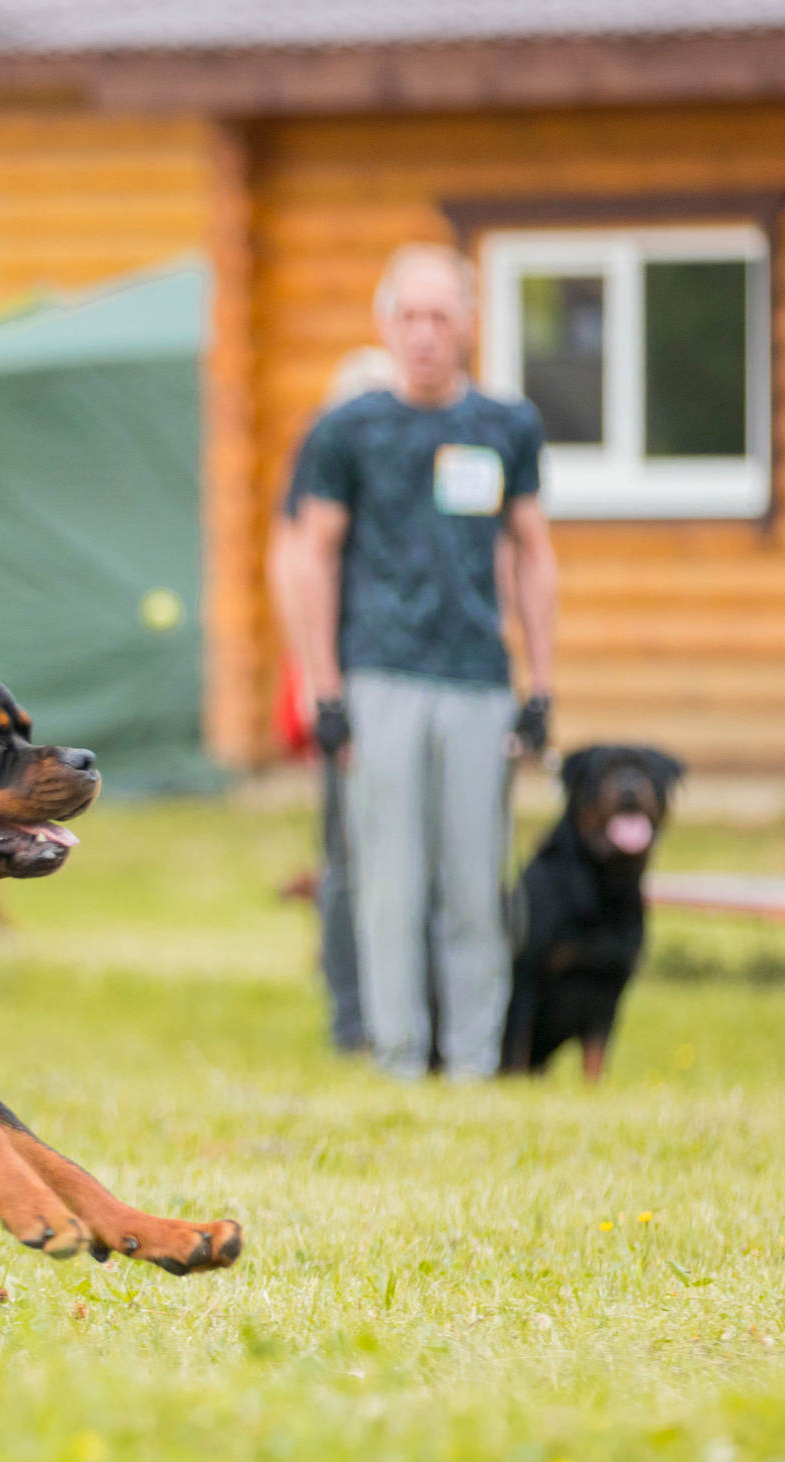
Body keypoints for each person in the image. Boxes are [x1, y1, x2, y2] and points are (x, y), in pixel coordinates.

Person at [287, 244, 560, 1082]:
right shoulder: (345, 431)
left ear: (470, 327)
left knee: (476, 881)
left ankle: (474, 1059)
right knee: (389, 879)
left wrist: (540, 682)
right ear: (386, 325)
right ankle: (400, 1054)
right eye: (410, 317)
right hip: (381, 676)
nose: (425, 334)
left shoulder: (506, 426)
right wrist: (323, 689)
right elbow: (311, 559)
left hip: (477, 678)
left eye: (442, 317)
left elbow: (530, 553)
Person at [270, 345, 399, 1053]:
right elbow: (292, 563)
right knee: (347, 852)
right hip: (341, 682)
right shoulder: (318, 470)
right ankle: (351, 1014)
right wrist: (317, 683)